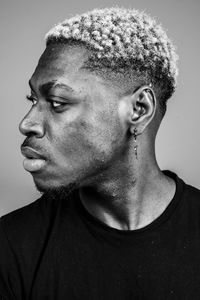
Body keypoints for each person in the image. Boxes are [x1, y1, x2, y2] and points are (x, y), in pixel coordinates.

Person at [0, 6, 200, 299]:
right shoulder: (10, 247)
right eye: (33, 99)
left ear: (139, 109)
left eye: (57, 102)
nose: (26, 123)